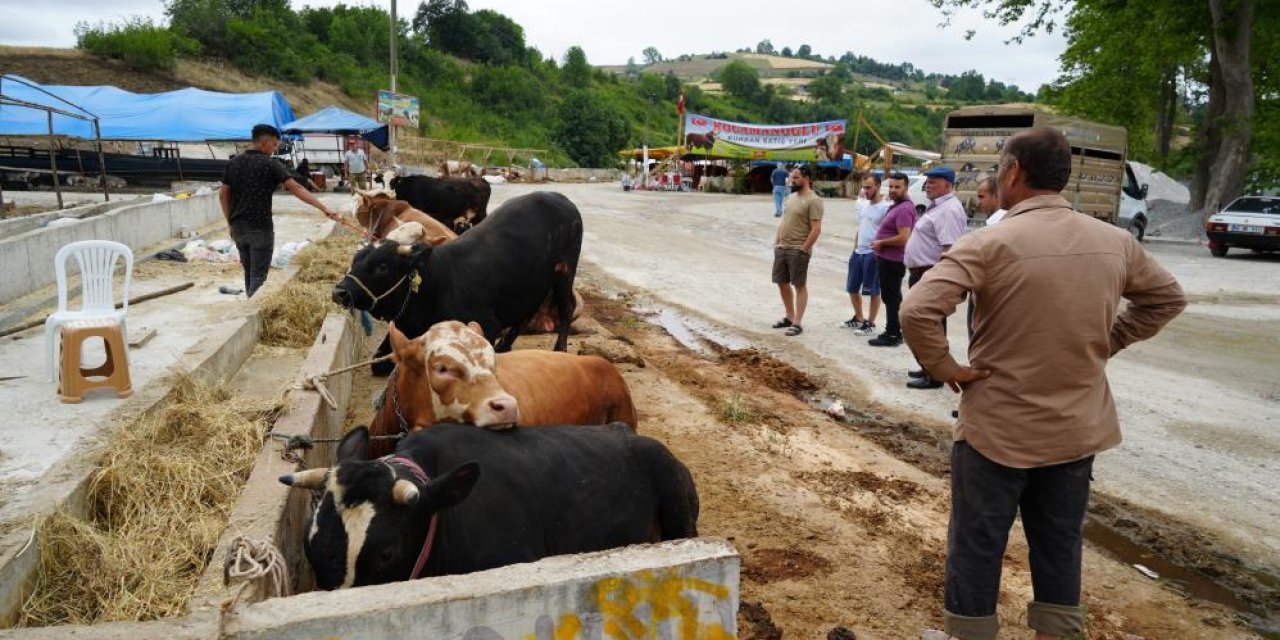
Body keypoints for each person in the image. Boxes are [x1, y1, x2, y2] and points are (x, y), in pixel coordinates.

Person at [902, 127, 1186, 640]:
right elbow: (1167, 299)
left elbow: (918, 308)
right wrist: (1108, 341)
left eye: (1000, 169)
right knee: (1059, 543)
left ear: (1012, 172)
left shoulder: (989, 241)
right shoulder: (1116, 241)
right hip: (1076, 430)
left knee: (977, 543)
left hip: (996, 431)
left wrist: (947, 369)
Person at [220, 124, 341, 298]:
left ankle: (249, 306)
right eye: (274, 145)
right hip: (261, 228)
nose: (274, 149)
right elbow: (297, 188)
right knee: (258, 276)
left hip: (239, 228)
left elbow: (223, 195)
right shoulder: (270, 164)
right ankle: (253, 312)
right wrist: (323, 208)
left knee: (249, 272)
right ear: (264, 142)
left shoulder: (233, 163)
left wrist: (230, 222)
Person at [902, 166, 968, 389]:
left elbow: (950, 249)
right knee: (927, 324)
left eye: (934, 182)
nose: (928, 185)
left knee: (931, 325)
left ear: (948, 185)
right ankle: (929, 369)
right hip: (922, 273)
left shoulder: (948, 210)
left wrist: (937, 280)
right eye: (927, 181)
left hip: (930, 274)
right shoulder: (937, 207)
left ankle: (937, 375)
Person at [771, 164, 823, 337]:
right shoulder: (791, 197)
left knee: (799, 285)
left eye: (796, 178)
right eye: (791, 177)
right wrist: (776, 242)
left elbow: (816, 229)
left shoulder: (813, 200)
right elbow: (784, 220)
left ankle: (797, 322)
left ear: (806, 179)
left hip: (798, 249)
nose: (792, 180)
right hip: (783, 247)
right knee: (781, 282)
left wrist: (804, 249)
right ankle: (789, 316)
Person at [866, 172, 916, 347]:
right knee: (891, 296)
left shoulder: (904, 208)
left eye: (897, 187)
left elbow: (904, 237)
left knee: (891, 297)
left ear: (906, 188)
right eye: (892, 186)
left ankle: (893, 334)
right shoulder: (897, 205)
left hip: (893, 260)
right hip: (886, 259)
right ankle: (893, 330)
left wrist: (881, 242)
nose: (893, 190)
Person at [843, 173, 889, 335]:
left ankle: (871, 322)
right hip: (859, 251)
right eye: (864, 187)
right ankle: (859, 317)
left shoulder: (885, 208)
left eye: (869, 187)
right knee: (852, 288)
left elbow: (887, 232)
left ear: (877, 186)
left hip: (873, 253)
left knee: (873, 290)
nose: (866, 190)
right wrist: (855, 248)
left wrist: (879, 251)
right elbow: (860, 227)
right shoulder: (863, 205)